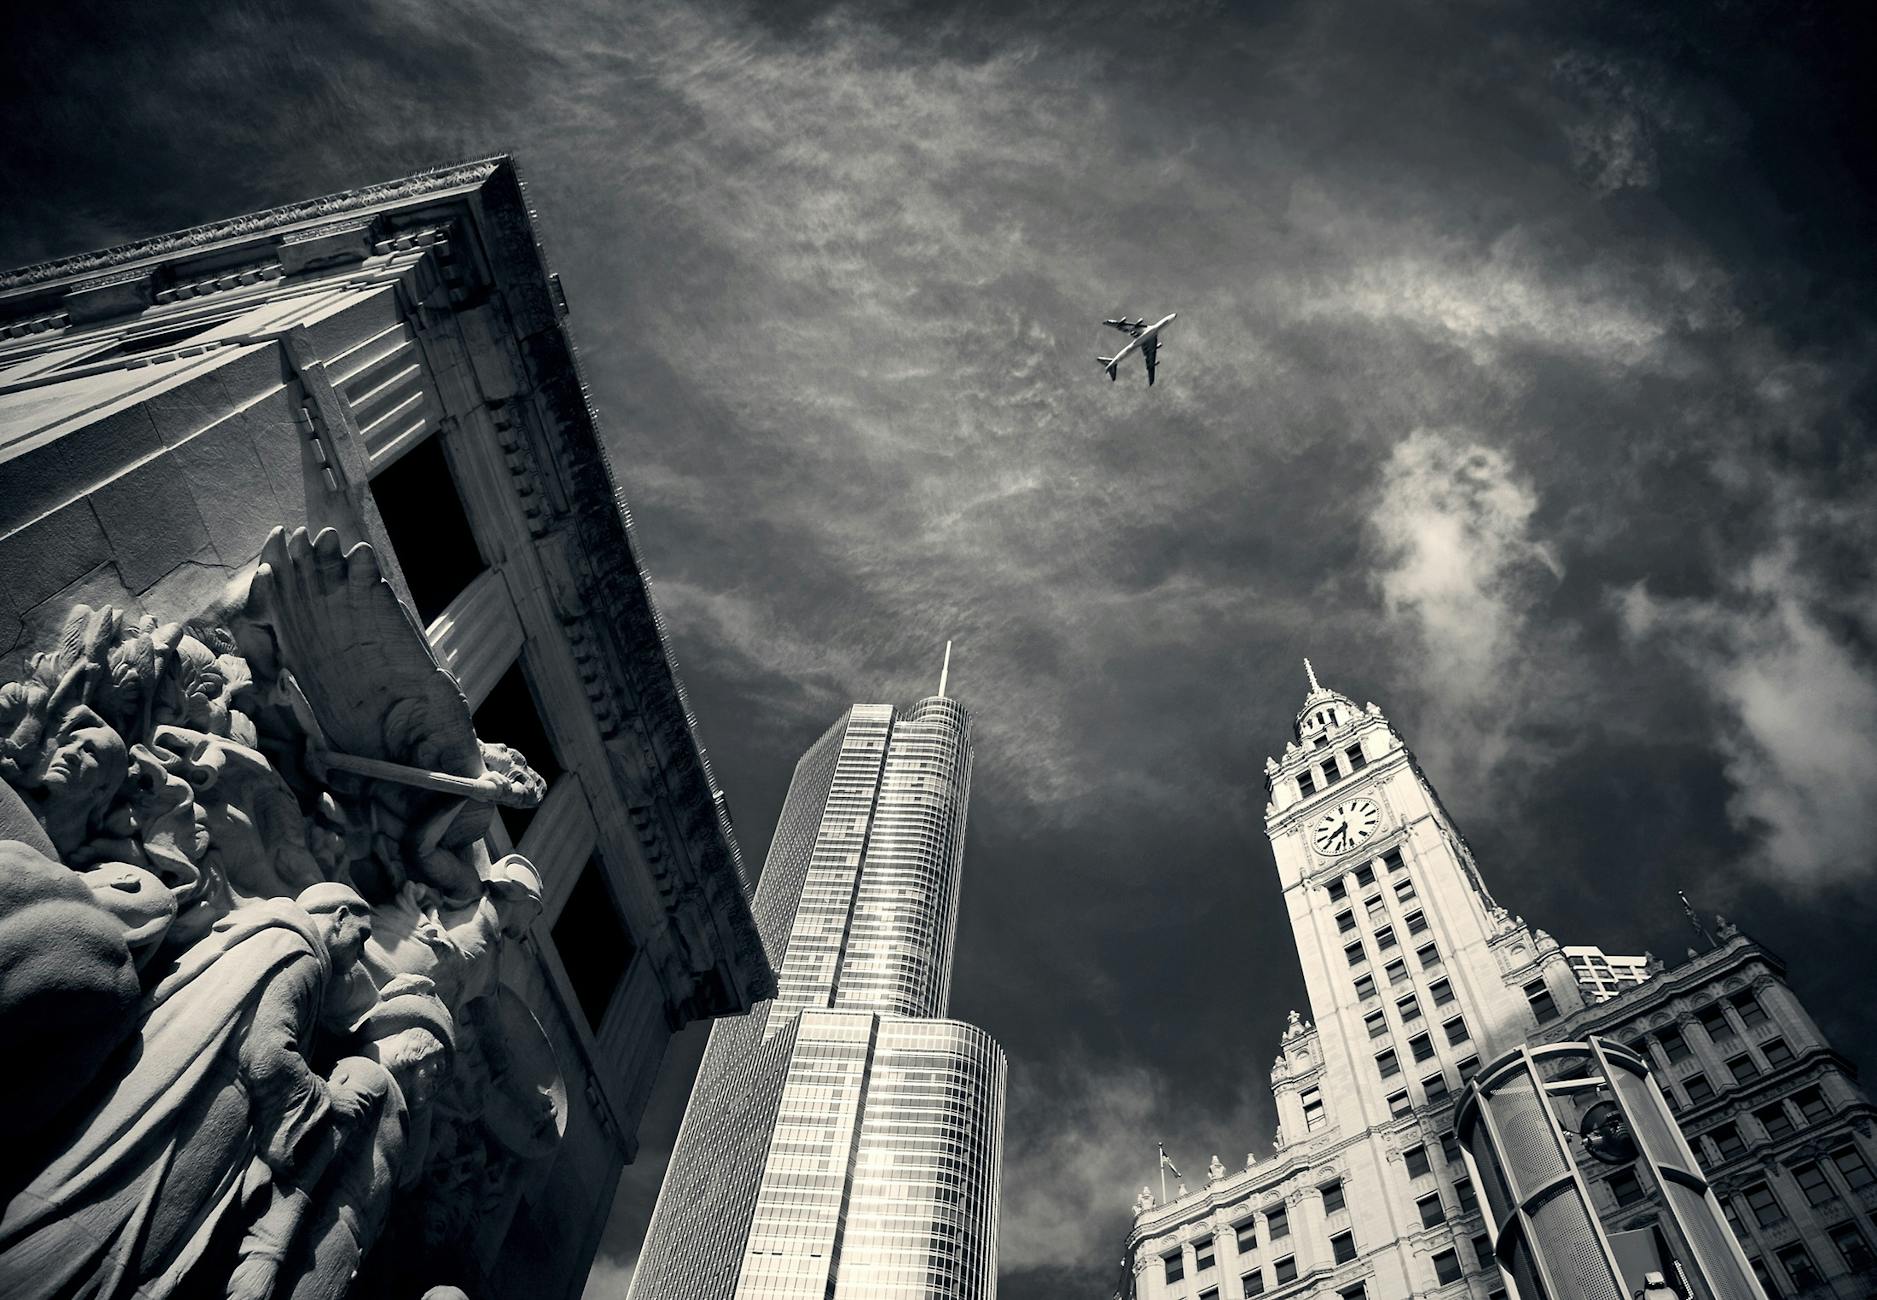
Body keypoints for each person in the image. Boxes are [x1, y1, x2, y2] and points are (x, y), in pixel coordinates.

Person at [0, 884, 372, 1300]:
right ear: (339, 917)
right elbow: (267, 1054)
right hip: (197, 1115)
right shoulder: (298, 953)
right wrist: (325, 1099)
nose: (361, 954)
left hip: (162, 1083)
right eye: (363, 936)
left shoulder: (252, 934)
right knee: (115, 1236)